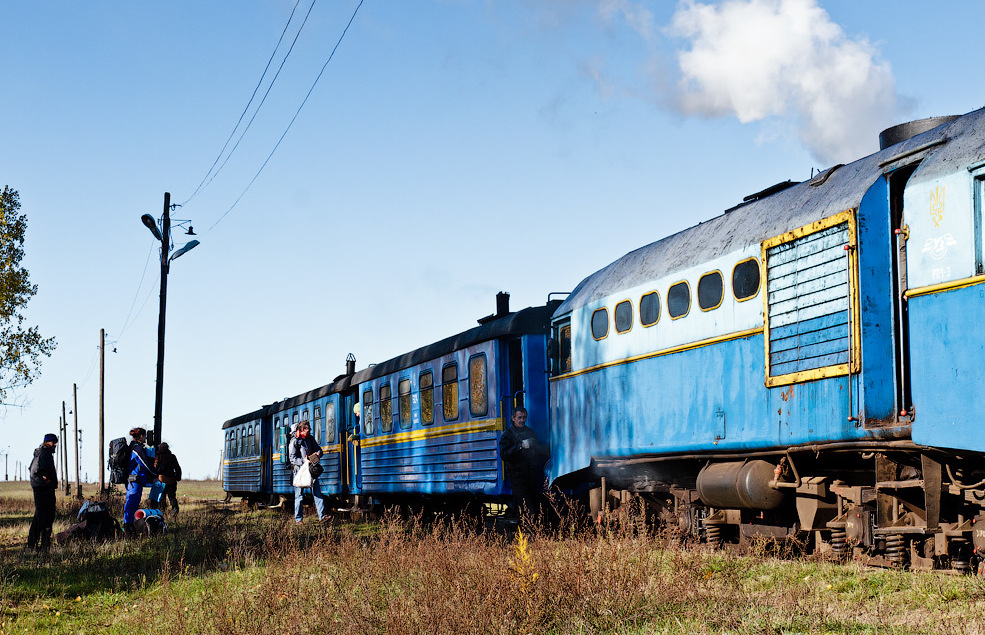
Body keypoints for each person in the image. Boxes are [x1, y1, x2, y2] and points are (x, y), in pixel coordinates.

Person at [499, 407, 548, 518]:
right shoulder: (507, 435)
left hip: (532, 476)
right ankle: (530, 533)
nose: (522, 420)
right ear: (513, 418)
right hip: (518, 477)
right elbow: (504, 454)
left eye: (524, 417)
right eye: (519, 418)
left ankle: (528, 532)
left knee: (535, 507)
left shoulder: (530, 432)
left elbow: (538, 450)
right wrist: (520, 446)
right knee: (528, 509)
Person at [289, 421, 327, 523]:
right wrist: (303, 461)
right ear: (301, 430)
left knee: (317, 493)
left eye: (309, 428)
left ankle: (322, 517)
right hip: (299, 471)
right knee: (299, 496)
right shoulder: (295, 441)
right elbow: (292, 458)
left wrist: (318, 454)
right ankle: (299, 520)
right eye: (307, 428)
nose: (309, 430)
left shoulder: (310, 438)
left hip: (311, 470)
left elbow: (319, 450)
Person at [27, 433, 59, 552]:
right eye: (53, 442)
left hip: (40, 488)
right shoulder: (45, 453)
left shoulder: (39, 452)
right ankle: (41, 545)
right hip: (44, 489)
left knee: (40, 516)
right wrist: (48, 478)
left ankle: (36, 544)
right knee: (45, 517)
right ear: (47, 442)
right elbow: (44, 469)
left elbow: (32, 469)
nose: (55, 445)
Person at [122, 427, 157, 534]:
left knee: (132, 503)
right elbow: (145, 464)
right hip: (135, 481)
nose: (146, 438)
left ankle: (129, 526)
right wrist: (155, 472)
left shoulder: (133, 447)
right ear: (141, 436)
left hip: (133, 481)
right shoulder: (137, 449)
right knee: (132, 503)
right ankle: (128, 527)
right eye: (145, 436)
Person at [154, 442, 182, 516]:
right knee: (172, 497)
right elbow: (178, 468)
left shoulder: (158, 456)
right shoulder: (172, 456)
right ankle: (175, 509)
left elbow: (155, 467)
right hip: (172, 480)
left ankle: (163, 512)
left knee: (162, 497)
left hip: (161, 480)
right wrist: (178, 477)